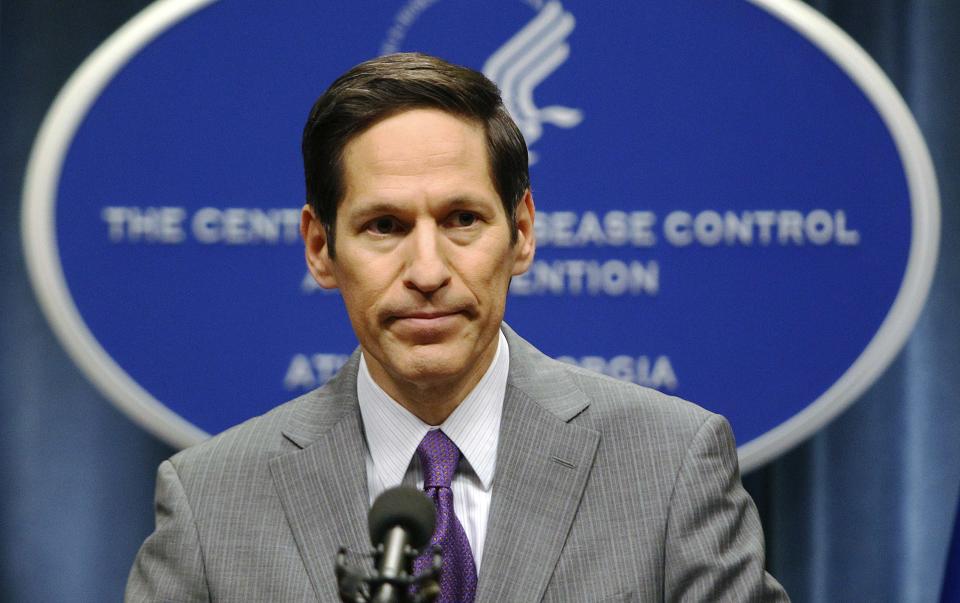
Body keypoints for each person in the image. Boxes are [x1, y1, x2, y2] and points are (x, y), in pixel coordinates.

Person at [126, 52, 788, 602]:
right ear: (320, 248)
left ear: (522, 232)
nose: (427, 269)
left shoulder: (669, 467)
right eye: (384, 226)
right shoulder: (209, 503)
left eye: (461, 219)